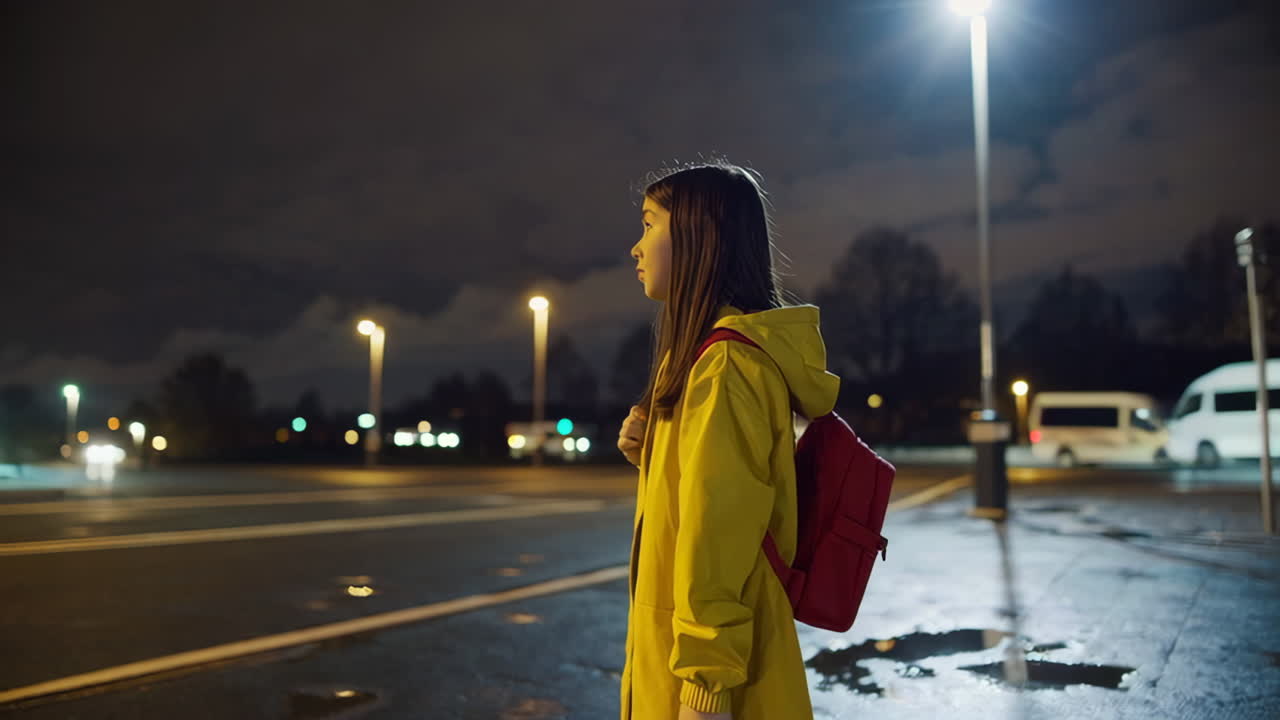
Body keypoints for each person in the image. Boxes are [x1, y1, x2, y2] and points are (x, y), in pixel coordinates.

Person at [615, 162, 840, 720]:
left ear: (698, 237)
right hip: (700, 662)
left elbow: (719, 532)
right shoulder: (702, 361)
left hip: (710, 682)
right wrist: (654, 452)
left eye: (649, 225)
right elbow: (703, 496)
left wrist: (706, 685)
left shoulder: (725, 366)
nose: (636, 248)